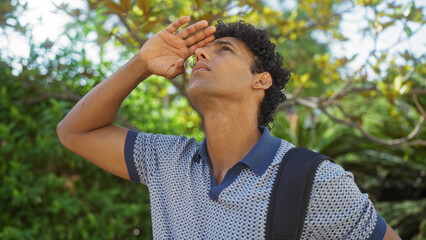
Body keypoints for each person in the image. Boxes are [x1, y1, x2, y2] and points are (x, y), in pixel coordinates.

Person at [57, 16, 400, 239]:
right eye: (199, 53)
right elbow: (74, 132)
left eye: (223, 50)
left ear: (260, 80)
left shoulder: (314, 179)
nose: (200, 57)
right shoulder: (166, 160)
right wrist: (141, 64)